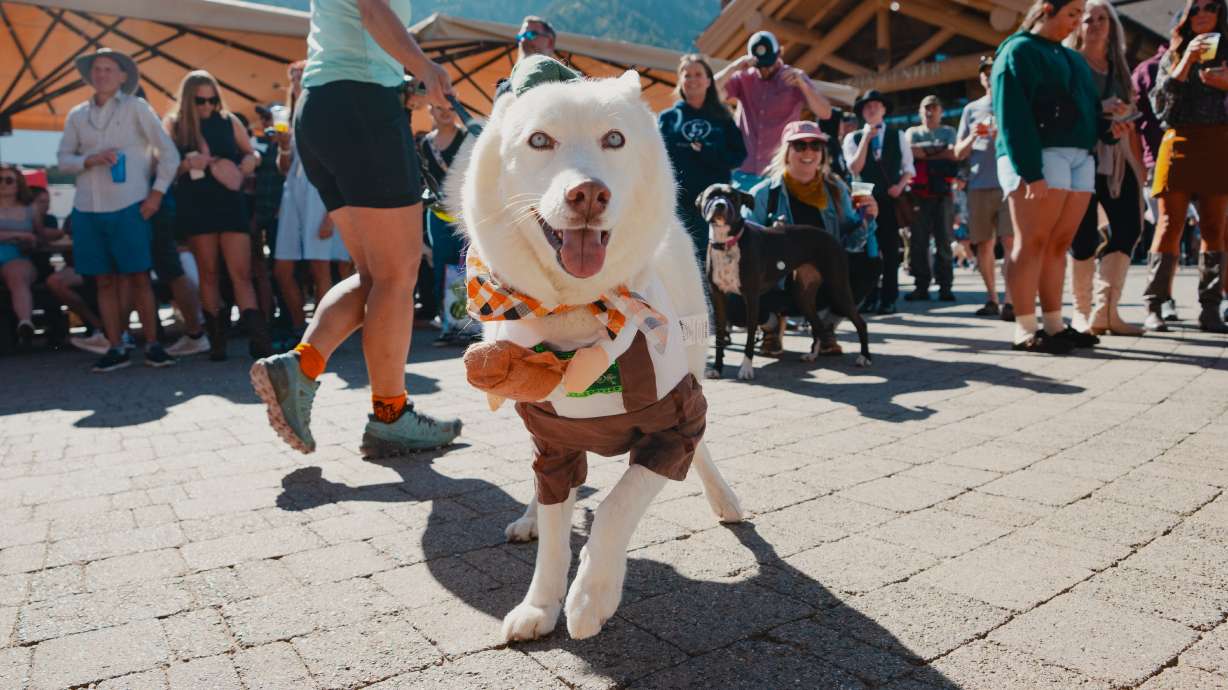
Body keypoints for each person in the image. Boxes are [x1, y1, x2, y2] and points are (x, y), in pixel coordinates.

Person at [251, 0, 462, 456]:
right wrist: (425, 67)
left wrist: (408, 79)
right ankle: (390, 417)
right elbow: (371, 9)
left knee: (376, 276)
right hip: (361, 107)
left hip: (322, 107)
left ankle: (300, 367)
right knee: (397, 274)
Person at [993, 0, 1130, 353]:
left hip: (1079, 154)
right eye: (1072, 14)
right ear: (1046, 10)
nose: (1078, 22)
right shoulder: (1019, 49)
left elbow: (1085, 108)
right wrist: (1029, 170)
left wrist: (1110, 129)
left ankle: (1054, 324)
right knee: (1032, 241)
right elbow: (1012, 113)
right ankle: (1025, 328)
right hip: (1038, 153)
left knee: (1057, 243)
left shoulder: (1071, 58)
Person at [56, 48, 179, 372]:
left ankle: (153, 344)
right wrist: (89, 159)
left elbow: (169, 154)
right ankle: (116, 346)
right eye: (97, 69)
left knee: (139, 276)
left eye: (109, 69)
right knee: (103, 281)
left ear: (123, 76)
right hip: (88, 207)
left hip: (130, 205)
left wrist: (156, 195)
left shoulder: (137, 107)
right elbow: (63, 160)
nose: (102, 74)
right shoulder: (77, 114)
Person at [745, 121, 880, 355]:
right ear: (787, 152)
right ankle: (771, 327)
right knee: (735, 297)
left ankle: (825, 327)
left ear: (822, 153)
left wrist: (869, 219)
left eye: (815, 145)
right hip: (776, 285)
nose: (808, 151)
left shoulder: (836, 189)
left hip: (824, 283)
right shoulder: (764, 194)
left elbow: (850, 243)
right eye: (800, 145)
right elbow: (745, 245)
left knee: (870, 264)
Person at [165, 70, 272, 361]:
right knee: (208, 274)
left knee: (241, 273)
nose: (208, 106)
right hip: (196, 204)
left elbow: (253, 153)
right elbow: (163, 170)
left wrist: (249, 163)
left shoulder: (229, 121)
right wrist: (187, 165)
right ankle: (217, 341)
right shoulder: (175, 126)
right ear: (188, 99)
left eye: (213, 99)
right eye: (201, 100)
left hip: (230, 201)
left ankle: (258, 339)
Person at [1142, 0, 1228, 333]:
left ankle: (1210, 308)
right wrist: (1186, 61)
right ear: (1186, 17)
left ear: (1221, 13)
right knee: (1168, 223)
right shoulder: (1173, 55)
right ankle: (1155, 304)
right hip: (1178, 141)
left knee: (1213, 227)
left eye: (1210, 7)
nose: (1202, 14)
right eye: (1195, 9)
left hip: (1219, 142)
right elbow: (1160, 107)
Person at [1065, 0, 1146, 336]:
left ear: (1112, 25)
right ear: (1078, 26)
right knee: (1082, 236)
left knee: (1129, 227)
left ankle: (1107, 312)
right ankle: (1081, 313)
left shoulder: (1120, 66)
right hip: (1082, 153)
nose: (1095, 24)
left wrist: (1125, 115)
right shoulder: (1071, 62)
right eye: (1088, 19)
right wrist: (1101, 108)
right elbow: (1064, 107)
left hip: (1118, 155)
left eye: (1102, 19)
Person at [271, 61, 349, 343]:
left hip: (320, 196)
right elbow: (285, 167)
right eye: (292, 77)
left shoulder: (323, 116)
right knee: (282, 268)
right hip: (293, 196)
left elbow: (339, 167)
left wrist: (331, 215)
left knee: (320, 267)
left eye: (301, 75)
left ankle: (323, 335)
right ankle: (298, 326)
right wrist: (282, 146)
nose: (296, 81)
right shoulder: (290, 117)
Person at [715, 31, 833, 186]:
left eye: (770, 64)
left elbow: (825, 113)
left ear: (779, 54)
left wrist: (803, 86)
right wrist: (732, 68)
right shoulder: (743, 77)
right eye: (760, 65)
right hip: (743, 171)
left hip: (778, 173)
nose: (765, 70)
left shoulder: (794, 77)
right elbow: (708, 95)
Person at [658, 54, 747, 258]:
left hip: (717, 207)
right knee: (682, 261)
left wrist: (708, 151)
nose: (692, 79)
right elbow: (657, 161)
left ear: (709, 80)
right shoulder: (668, 118)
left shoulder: (723, 117)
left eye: (698, 74)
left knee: (717, 262)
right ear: (680, 81)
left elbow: (739, 156)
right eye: (686, 75)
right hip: (680, 207)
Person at [843, 89, 915, 315]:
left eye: (876, 105)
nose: (872, 109)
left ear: (884, 109)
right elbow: (855, 168)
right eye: (867, 106)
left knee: (890, 249)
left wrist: (900, 186)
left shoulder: (898, 135)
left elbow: (908, 168)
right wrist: (866, 136)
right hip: (863, 198)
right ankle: (867, 295)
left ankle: (889, 298)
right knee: (865, 249)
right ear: (862, 112)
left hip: (889, 199)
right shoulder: (852, 138)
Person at [956, 57, 1015, 319]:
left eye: (993, 73)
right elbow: (958, 151)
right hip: (979, 185)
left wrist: (1002, 134)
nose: (989, 78)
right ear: (980, 78)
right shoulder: (971, 109)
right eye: (985, 74)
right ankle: (992, 298)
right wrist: (974, 136)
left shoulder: (1012, 102)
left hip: (1008, 182)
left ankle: (1011, 300)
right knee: (984, 244)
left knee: (1011, 242)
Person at [1131, 39, 1180, 322]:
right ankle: (1160, 300)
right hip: (1160, 159)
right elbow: (1138, 123)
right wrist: (1142, 166)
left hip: (1210, 154)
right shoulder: (1148, 70)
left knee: (1215, 228)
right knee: (1167, 226)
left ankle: (1214, 301)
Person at [417, 100, 470, 345]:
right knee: (441, 270)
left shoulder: (469, 138)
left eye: (450, 108)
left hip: (466, 216)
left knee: (469, 269)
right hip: (437, 217)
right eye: (439, 108)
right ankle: (448, 326)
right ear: (431, 111)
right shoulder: (426, 143)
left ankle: (471, 327)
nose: (446, 113)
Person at [905, 95, 960, 302]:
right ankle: (921, 286)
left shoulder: (949, 131)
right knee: (918, 242)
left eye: (934, 108)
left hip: (943, 194)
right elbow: (911, 153)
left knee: (944, 240)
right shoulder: (913, 132)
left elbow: (953, 154)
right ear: (920, 111)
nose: (930, 112)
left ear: (941, 111)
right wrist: (940, 151)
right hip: (918, 195)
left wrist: (925, 153)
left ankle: (945, 286)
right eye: (926, 108)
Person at [0, 165, 46, 348]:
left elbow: (39, 234)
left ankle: (25, 323)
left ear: (18, 184)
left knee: (17, 276)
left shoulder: (30, 209)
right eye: (0, 180)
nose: (3, 183)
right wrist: (17, 235)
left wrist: (32, 241)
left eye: (8, 180)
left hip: (18, 257)